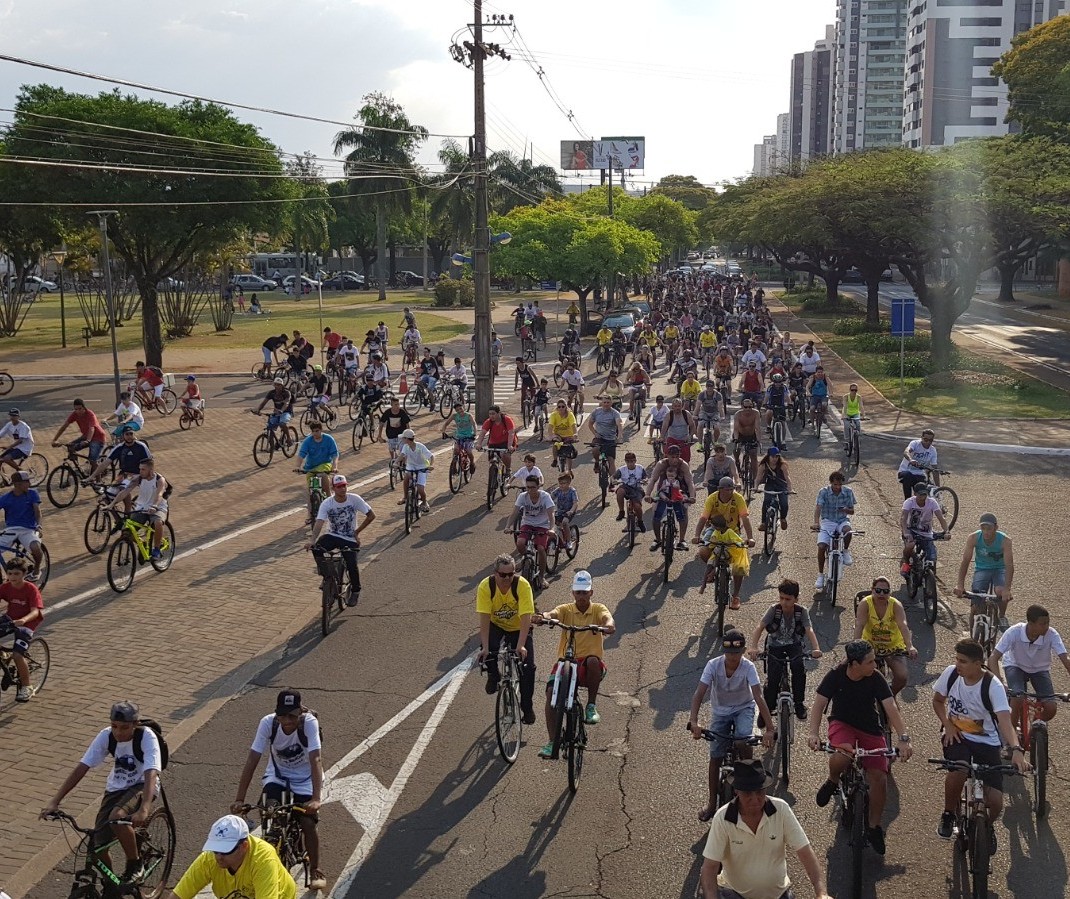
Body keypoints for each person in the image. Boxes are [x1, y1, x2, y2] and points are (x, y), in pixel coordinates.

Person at [807, 640, 913, 858]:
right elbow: (819, 704)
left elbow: (890, 706)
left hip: (870, 728)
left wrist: (903, 738)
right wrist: (813, 733)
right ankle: (833, 780)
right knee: (842, 754)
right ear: (854, 664)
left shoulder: (875, 677)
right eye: (870, 661)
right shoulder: (835, 675)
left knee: (879, 777)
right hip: (842, 723)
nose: (875, 665)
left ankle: (874, 826)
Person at [40, 701, 162, 884]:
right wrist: (55, 801)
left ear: (136, 725)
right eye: (114, 726)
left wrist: (144, 807)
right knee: (98, 846)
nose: (118, 732)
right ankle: (112, 885)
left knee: (117, 817)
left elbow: (151, 771)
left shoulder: (146, 737)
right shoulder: (106, 736)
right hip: (116, 788)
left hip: (142, 784)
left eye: (124, 728)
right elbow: (83, 766)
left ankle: (134, 864)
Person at [931, 639, 1029, 843]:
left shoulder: (992, 686)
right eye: (957, 659)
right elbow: (938, 701)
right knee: (959, 769)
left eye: (963, 661)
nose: (957, 665)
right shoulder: (951, 674)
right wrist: (948, 725)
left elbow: (1004, 721)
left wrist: (1016, 749)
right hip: (957, 737)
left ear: (978, 664)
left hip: (987, 743)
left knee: (995, 801)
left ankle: (987, 827)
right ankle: (948, 814)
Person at [230, 690, 327, 891]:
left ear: (300, 712)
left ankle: (315, 868)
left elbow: (316, 759)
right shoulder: (268, 723)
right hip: (278, 777)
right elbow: (252, 759)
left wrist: (316, 798)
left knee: (308, 822)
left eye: (292, 715)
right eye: (282, 715)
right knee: (269, 810)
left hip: (305, 780)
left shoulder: (309, 723)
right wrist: (239, 799)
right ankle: (276, 845)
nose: (287, 720)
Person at [699, 759, 831, 899]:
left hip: (778, 895)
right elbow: (710, 867)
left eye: (759, 792)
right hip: (735, 894)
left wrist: (821, 892)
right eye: (748, 793)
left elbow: (805, 852)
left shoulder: (781, 809)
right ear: (737, 791)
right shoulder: (722, 818)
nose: (755, 799)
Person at [691, 630, 775, 822]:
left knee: (744, 740)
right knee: (715, 756)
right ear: (724, 652)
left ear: (743, 651)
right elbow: (699, 693)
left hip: (744, 708)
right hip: (720, 711)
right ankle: (712, 802)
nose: (733, 658)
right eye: (729, 653)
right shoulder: (713, 665)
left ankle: (751, 782)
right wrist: (694, 722)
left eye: (737, 653)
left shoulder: (748, 667)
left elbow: (758, 697)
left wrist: (769, 729)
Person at [534, 570, 616, 757]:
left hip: (588, 667)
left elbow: (607, 619)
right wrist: (544, 617)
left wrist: (608, 625)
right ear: (573, 593)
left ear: (591, 593)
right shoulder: (566, 609)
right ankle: (552, 741)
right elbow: (553, 613)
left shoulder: (597, 609)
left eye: (584, 592)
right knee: (550, 694)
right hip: (566, 662)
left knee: (594, 660)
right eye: (578, 592)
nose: (581, 596)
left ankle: (591, 706)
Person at [167, 813, 296, 899]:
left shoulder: (263, 859)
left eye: (225, 851)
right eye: (215, 850)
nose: (218, 857)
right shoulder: (209, 858)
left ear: (244, 846)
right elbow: (178, 895)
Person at [747, 579, 822, 720]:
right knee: (773, 676)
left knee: (798, 668)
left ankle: (799, 703)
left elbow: (809, 629)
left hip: (794, 644)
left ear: (796, 598)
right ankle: (768, 708)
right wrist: (754, 647)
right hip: (775, 645)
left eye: (788, 599)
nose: (784, 602)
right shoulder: (774, 610)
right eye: (781, 598)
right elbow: (760, 627)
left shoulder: (802, 611)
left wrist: (816, 648)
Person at [988, 605, 1070, 732]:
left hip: (1040, 670)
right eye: (1043, 624)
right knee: (1017, 698)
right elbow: (993, 658)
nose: (1047, 627)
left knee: (1051, 707)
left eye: (1048, 623)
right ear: (1030, 623)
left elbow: (1066, 660)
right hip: (1015, 666)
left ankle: (1035, 727)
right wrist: (999, 682)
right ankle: (1012, 736)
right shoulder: (1014, 632)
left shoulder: (1051, 634)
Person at [477, 553, 537, 725]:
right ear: (495, 573)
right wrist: (486, 648)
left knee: (528, 667)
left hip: (519, 627)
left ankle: (527, 706)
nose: (507, 578)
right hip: (497, 624)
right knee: (488, 651)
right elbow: (484, 618)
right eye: (503, 575)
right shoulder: (486, 587)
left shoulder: (522, 585)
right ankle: (493, 676)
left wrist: (520, 646)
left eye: (511, 574)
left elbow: (526, 617)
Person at [306, 475, 374, 605]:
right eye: (339, 487)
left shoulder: (355, 499)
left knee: (352, 565)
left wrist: (357, 532)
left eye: (344, 485)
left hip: (349, 539)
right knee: (317, 548)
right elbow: (319, 522)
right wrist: (312, 540)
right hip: (333, 536)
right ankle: (327, 576)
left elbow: (371, 515)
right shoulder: (327, 503)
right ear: (333, 489)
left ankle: (355, 591)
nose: (343, 489)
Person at [852, 576, 917, 697]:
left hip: (893, 646)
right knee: (857, 671)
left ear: (889, 593)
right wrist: (856, 645)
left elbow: (903, 625)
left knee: (902, 676)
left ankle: (890, 696)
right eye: (878, 590)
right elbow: (859, 625)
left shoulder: (896, 605)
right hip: (870, 646)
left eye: (885, 591)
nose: (881, 594)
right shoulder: (865, 603)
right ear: (872, 590)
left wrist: (910, 646)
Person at [694, 477, 754, 607]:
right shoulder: (712, 498)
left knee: (739, 565)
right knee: (703, 551)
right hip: (714, 530)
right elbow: (703, 518)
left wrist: (750, 538)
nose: (730, 492)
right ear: (720, 489)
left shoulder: (738, 498)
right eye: (727, 489)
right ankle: (715, 571)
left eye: (732, 489)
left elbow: (745, 518)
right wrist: (697, 535)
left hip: (733, 532)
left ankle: (736, 596)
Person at [955, 513, 1014, 628]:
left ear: (996, 528)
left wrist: (1007, 589)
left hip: (999, 569)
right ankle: (975, 621)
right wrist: (960, 585)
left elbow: (1009, 566)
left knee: (1000, 592)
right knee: (977, 594)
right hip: (982, 569)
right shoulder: (973, 538)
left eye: (989, 529)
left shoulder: (1005, 540)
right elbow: (965, 561)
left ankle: (1001, 616)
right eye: (983, 528)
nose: (986, 532)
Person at [0, 557, 44, 700]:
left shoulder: (31, 589)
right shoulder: (5, 587)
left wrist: (23, 620)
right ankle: (4, 655)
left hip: (27, 623)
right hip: (10, 618)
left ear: (24, 574)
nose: (12, 577)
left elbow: (35, 611)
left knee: (18, 655)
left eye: (16, 574)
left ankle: (27, 687)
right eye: (10, 573)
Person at [108, 458, 170, 560]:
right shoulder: (138, 478)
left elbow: (159, 494)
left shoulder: (160, 480)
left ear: (151, 470)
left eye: (143, 469)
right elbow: (125, 491)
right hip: (141, 508)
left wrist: (154, 506)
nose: (140, 472)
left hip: (158, 507)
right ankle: (143, 543)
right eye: (140, 469)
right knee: (126, 531)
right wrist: (111, 504)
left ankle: (157, 549)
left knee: (158, 522)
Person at [645, 444, 696, 552]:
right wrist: (647, 495)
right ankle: (658, 539)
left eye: (677, 456)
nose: (675, 459)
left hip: (680, 491)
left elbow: (690, 482)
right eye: (672, 457)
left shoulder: (683, 465)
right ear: (667, 455)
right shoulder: (661, 464)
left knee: (684, 509)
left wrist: (692, 496)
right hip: (663, 491)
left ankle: (682, 540)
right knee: (655, 513)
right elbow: (653, 480)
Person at [812, 471, 856, 590]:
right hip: (828, 521)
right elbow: (818, 508)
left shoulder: (848, 492)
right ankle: (820, 575)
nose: (837, 487)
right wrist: (816, 522)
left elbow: (852, 511)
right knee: (821, 546)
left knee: (848, 530)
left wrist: (845, 510)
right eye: (835, 485)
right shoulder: (824, 492)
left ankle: (845, 551)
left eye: (839, 485)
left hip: (842, 520)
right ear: (831, 483)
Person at [507, 475, 556, 580]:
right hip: (527, 523)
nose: (530, 490)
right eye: (528, 487)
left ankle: (541, 577)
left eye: (533, 487)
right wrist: (507, 526)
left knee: (541, 548)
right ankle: (525, 558)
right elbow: (514, 512)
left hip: (542, 525)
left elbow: (551, 515)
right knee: (520, 543)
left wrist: (551, 529)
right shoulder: (523, 496)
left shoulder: (545, 497)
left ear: (538, 487)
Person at [899, 481, 949, 576]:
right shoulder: (909, 502)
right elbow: (903, 518)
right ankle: (905, 562)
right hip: (911, 530)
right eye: (920, 494)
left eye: (925, 493)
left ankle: (930, 577)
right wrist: (905, 532)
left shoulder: (932, 502)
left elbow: (940, 518)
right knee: (910, 545)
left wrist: (947, 531)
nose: (923, 496)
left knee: (932, 555)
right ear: (915, 494)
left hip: (926, 532)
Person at [0, 470, 44, 575]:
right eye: (26, 482)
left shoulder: (32, 494)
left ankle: (37, 569)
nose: (29, 484)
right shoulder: (5, 498)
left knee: (36, 548)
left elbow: (37, 511)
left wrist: (39, 525)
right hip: (11, 530)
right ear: (17, 484)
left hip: (29, 530)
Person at [51, 398, 107, 464]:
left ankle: (96, 472)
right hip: (86, 436)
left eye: (80, 409)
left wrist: (88, 441)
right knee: (71, 447)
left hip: (98, 438)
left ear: (84, 408)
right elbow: (64, 426)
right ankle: (78, 467)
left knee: (92, 460)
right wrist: (55, 439)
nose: (78, 411)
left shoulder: (90, 414)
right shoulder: (74, 414)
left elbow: (92, 428)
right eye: (76, 409)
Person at [297, 421, 339, 501]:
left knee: (322, 475)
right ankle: (311, 512)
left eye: (317, 431)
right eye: (313, 431)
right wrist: (297, 467)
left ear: (321, 430)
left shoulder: (329, 439)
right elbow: (301, 455)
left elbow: (335, 454)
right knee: (309, 494)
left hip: (325, 465)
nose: (314, 433)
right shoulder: (307, 441)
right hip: (310, 468)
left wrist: (334, 466)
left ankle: (329, 497)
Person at [755, 446, 791, 532]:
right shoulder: (764, 465)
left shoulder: (782, 465)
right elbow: (758, 478)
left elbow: (787, 478)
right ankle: (763, 522)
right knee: (766, 501)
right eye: (772, 456)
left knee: (784, 503)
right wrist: (756, 487)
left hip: (781, 486)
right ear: (768, 456)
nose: (775, 459)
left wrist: (790, 489)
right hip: (770, 485)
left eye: (777, 456)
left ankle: (783, 519)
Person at [398, 429, 434, 514]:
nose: (402, 440)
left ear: (407, 439)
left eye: (403, 438)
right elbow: (402, 455)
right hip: (411, 466)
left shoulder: (420, 446)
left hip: (422, 467)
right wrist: (396, 462)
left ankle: (424, 502)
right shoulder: (405, 447)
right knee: (406, 478)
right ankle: (405, 497)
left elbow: (431, 456)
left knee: (420, 488)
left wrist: (430, 466)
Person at [586, 395, 623, 474]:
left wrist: (619, 436)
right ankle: (596, 462)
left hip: (610, 439)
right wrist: (595, 433)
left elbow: (619, 424)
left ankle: (612, 481)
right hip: (599, 437)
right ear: (602, 403)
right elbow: (590, 424)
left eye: (608, 402)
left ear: (611, 403)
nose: (606, 404)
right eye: (604, 402)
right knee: (595, 449)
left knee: (611, 461)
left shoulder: (615, 413)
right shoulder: (596, 411)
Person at [897, 428, 939, 498]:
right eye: (925, 439)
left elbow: (935, 468)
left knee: (925, 491)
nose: (928, 442)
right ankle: (908, 502)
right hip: (905, 471)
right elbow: (906, 452)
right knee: (908, 476)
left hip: (919, 474)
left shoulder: (933, 450)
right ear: (921, 438)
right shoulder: (915, 443)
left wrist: (938, 487)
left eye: (930, 440)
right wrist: (910, 460)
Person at [475, 405, 516, 476]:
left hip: (506, 442)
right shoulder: (488, 422)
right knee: (491, 461)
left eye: (493, 414)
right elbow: (482, 433)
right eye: (490, 414)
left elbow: (511, 433)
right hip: (493, 442)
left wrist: (509, 445)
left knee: (505, 455)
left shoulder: (507, 420)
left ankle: (508, 469)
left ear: (499, 413)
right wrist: (479, 444)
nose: (491, 416)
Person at [377, 396, 411, 471]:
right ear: (391, 405)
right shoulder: (387, 412)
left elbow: (407, 424)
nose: (397, 406)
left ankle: (404, 463)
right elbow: (381, 423)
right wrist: (379, 435)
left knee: (403, 449)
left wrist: (409, 435)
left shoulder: (402, 412)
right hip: (391, 433)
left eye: (398, 404)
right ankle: (393, 459)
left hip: (401, 434)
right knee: (391, 448)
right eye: (395, 405)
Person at [441, 402, 477, 474]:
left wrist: (474, 433)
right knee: (456, 450)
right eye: (457, 410)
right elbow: (446, 424)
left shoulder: (469, 416)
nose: (460, 411)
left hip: (468, 437)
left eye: (460, 408)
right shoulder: (454, 416)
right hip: (458, 436)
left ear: (463, 407)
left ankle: (472, 463)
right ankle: (454, 466)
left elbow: (474, 424)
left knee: (469, 451)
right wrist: (443, 432)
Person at [613, 451, 646, 526]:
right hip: (626, 487)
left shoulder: (640, 468)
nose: (630, 463)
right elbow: (613, 477)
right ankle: (621, 511)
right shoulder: (622, 469)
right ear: (625, 461)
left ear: (635, 461)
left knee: (637, 507)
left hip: (637, 488)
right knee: (620, 492)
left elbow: (646, 477)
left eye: (632, 461)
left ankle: (640, 522)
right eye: (628, 461)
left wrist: (645, 480)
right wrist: (614, 481)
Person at [730, 397, 760, 477]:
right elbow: (736, 429)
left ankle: (755, 478)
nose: (748, 409)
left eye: (750, 407)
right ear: (742, 407)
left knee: (754, 456)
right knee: (736, 450)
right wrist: (736, 440)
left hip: (751, 435)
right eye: (746, 407)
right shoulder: (738, 414)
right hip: (740, 435)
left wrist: (758, 440)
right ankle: (737, 461)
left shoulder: (756, 413)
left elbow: (757, 428)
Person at [0, 408, 34, 479]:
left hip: (25, 448)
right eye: (11, 416)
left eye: (14, 416)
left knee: (6, 458)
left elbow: (20, 440)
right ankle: (4, 479)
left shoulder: (23, 426)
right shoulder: (9, 425)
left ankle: (21, 472)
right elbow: (1, 434)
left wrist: (9, 446)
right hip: (16, 447)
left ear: (18, 417)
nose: (12, 417)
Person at [549, 472, 578, 551]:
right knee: (554, 525)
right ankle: (560, 541)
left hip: (569, 511)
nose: (561, 485)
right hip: (559, 511)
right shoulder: (558, 490)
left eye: (564, 483)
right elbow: (550, 497)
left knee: (565, 522)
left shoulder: (572, 491)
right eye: (560, 483)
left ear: (569, 483)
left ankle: (568, 541)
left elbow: (575, 503)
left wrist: (571, 511)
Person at [662, 397, 696, 462]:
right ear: (672, 407)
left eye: (679, 406)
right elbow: (664, 428)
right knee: (667, 459)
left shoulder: (686, 414)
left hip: (684, 439)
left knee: (686, 461)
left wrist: (690, 436)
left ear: (682, 406)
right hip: (672, 438)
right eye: (675, 406)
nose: (677, 408)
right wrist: (661, 437)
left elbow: (692, 426)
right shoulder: (669, 415)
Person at [695, 380, 724, 446]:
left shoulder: (718, 395)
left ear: (714, 387)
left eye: (711, 386)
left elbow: (720, 407)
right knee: (700, 425)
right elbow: (698, 406)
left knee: (716, 427)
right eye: (708, 386)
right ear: (706, 387)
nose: (709, 388)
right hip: (704, 412)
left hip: (715, 413)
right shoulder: (702, 394)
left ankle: (716, 442)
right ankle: (699, 444)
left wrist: (722, 416)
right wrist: (695, 415)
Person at [841, 383, 864, 449]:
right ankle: (847, 441)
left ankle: (857, 439)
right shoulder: (845, 396)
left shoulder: (859, 397)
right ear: (849, 390)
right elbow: (845, 406)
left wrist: (863, 415)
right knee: (847, 425)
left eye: (855, 390)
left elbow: (861, 406)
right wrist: (844, 415)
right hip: (847, 413)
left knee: (858, 423)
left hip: (855, 413)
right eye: (852, 390)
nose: (854, 391)